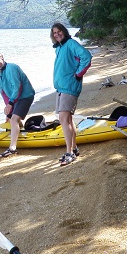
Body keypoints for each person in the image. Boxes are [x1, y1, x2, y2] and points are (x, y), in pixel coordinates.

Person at [50, 23, 92, 166]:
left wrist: (79, 73)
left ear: (64, 31)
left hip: (69, 87)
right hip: (61, 88)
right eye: (54, 33)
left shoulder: (70, 43)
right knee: (67, 120)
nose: (57, 34)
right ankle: (74, 148)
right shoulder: (59, 47)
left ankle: (69, 152)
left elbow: (86, 56)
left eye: (59, 31)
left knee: (62, 118)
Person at [0, 52, 36, 158]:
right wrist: (8, 109)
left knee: (14, 119)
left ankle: (12, 148)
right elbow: (4, 93)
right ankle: (19, 132)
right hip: (15, 99)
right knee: (10, 119)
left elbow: (17, 87)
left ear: (2, 58)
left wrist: (11, 104)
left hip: (25, 96)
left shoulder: (11, 68)